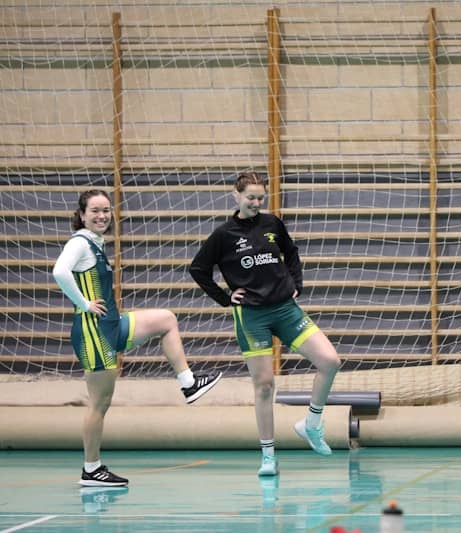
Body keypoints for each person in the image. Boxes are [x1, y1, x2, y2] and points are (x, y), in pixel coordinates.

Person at [53, 190, 223, 487]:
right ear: (81, 214)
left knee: (166, 320)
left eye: (106, 210)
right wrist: (84, 304)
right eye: (95, 210)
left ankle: (188, 384)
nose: (102, 216)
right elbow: (59, 271)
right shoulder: (79, 242)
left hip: (112, 324)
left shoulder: (96, 242)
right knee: (100, 403)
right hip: (94, 332)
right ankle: (91, 469)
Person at [190, 172, 341, 477]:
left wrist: (297, 281)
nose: (257, 203)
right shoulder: (224, 235)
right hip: (252, 316)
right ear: (236, 196)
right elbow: (198, 269)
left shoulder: (273, 223)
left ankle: (311, 424)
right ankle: (268, 456)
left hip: (286, 309)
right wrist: (224, 297)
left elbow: (292, 253)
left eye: (261, 198)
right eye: (251, 198)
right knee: (264, 386)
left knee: (330, 361)